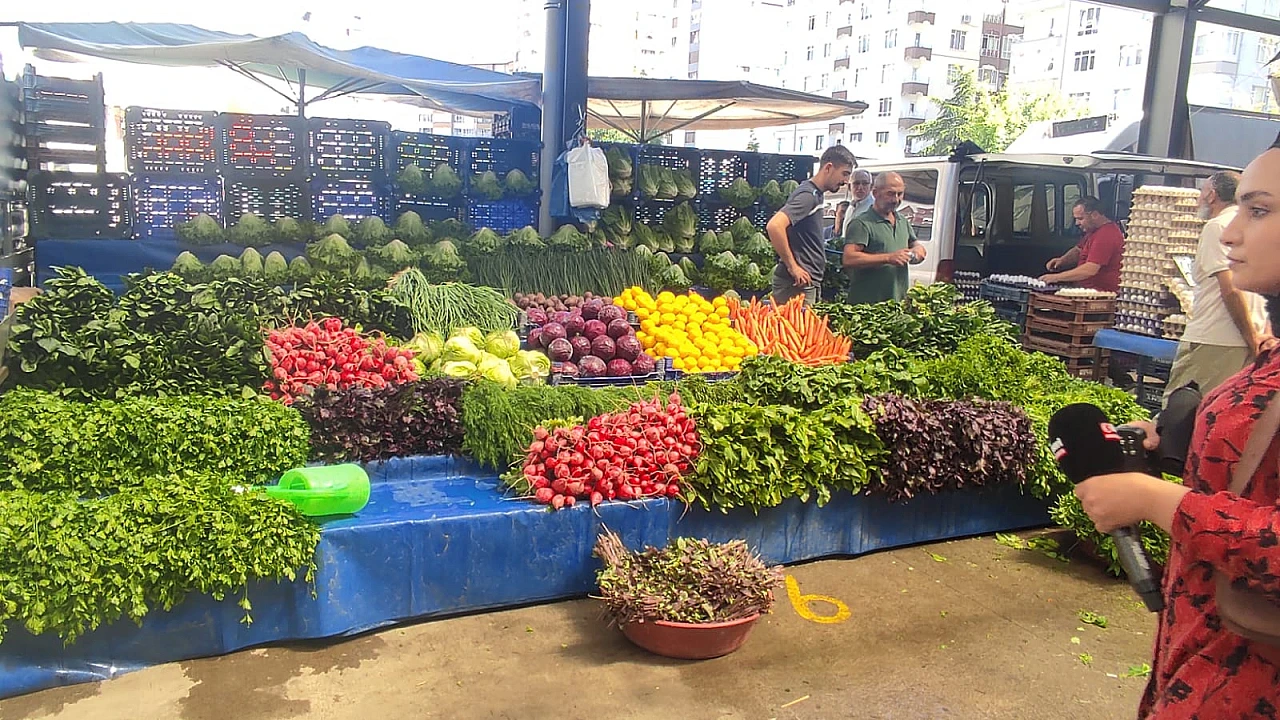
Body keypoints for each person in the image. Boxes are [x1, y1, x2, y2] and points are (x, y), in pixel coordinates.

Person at [1073, 140, 1280, 719]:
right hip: (1201, 641)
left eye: (1259, 210)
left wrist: (1160, 501)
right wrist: (1179, 449)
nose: (1231, 232)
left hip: (1252, 677)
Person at [1165, 171, 1268, 401]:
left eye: (1202, 192)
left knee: (1183, 411)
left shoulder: (1218, 227)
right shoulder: (1258, 228)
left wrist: (1252, 340)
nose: (1199, 199)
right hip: (1250, 336)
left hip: (1215, 338)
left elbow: (1231, 289)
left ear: (1212, 195)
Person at [766, 145, 855, 306]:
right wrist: (793, 267)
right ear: (828, 167)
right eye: (845, 174)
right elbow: (774, 226)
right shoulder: (809, 196)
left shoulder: (816, 194)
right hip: (796, 284)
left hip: (805, 282)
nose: (846, 181)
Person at [841, 171, 927, 305]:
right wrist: (888, 258)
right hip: (868, 308)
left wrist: (917, 252)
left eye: (900, 194)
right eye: (891, 193)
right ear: (875, 193)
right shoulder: (862, 223)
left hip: (897, 305)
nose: (896, 200)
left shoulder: (902, 221)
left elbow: (916, 244)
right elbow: (849, 258)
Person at [1040, 197, 1125, 292]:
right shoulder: (1092, 231)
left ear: (1095, 214)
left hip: (1100, 295)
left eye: (1080, 219)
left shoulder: (1107, 235)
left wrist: (1056, 277)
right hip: (1085, 291)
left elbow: (1090, 270)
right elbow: (1078, 250)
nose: (1077, 223)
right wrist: (1062, 260)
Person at [841, 169, 875, 238]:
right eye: (856, 183)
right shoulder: (851, 206)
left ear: (871, 187)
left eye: (865, 183)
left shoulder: (874, 208)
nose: (860, 187)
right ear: (849, 187)